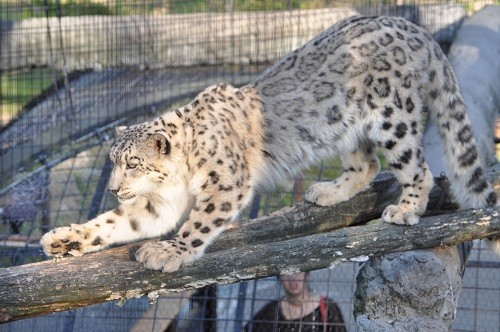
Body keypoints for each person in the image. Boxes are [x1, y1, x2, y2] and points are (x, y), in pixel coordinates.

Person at [244, 272, 346, 331]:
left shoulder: (326, 307)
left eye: (297, 272)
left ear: (307, 275)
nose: (293, 279)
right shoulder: (272, 310)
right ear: (279, 277)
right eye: (286, 273)